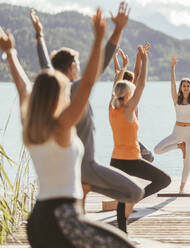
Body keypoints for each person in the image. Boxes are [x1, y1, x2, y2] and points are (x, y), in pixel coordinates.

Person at [0, 9, 135, 247]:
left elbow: (22, 87)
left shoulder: (31, 126)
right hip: (63, 217)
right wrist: (101, 36)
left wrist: (10, 52)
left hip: (39, 219)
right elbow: (90, 81)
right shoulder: (62, 127)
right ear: (55, 97)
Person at [30, 2, 144, 214]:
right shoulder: (74, 89)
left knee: (80, 214)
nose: (80, 68)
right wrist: (117, 30)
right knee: (135, 193)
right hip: (86, 165)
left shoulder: (52, 89)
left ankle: (85, 188)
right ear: (71, 68)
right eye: (77, 64)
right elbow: (100, 65)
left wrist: (40, 36)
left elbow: (45, 65)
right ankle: (88, 186)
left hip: (69, 166)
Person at [109, 45, 171, 233]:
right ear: (128, 94)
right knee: (164, 180)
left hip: (116, 161)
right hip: (131, 161)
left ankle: (122, 235)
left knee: (121, 201)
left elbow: (117, 85)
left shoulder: (111, 109)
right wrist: (144, 61)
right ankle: (133, 200)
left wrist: (123, 68)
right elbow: (141, 83)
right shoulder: (128, 110)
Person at [154, 55, 190, 193]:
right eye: (184, 85)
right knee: (157, 150)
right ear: (181, 88)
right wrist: (172, 67)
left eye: (188, 85)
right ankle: (178, 146)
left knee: (187, 160)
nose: (186, 87)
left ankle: (182, 187)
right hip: (177, 132)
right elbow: (172, 84)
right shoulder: (176, 99)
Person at [113, 45, 154, 162]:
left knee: (145, 157)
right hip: (129, 138)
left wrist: (115, 58)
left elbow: (118, 72)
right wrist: (140, 58)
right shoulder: (129, 97)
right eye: (131, 81)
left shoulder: (118, 97)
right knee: (149, 157)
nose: (133, 83)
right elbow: (136, 73)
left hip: (129, 135)